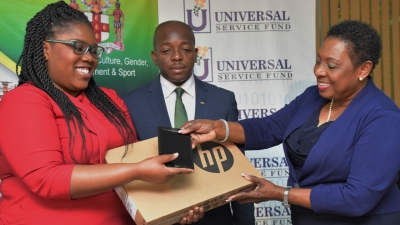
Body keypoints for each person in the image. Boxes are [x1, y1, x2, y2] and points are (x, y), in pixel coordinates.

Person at [0, 2, 203, 225]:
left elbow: (133, 163)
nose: (89, 57)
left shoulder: (109, 100)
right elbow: (46, 179)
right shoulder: (23, 100)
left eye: (94, 50)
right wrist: (136, 171)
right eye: (78, 47)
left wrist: (173, 211)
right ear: (46, 49)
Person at [180, 20, 400, 224]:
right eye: (318, 60)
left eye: (331, 66)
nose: (318, 71)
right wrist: (217, 128)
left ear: (364, 69)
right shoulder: (312, 97)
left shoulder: (383, 117)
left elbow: (357, 198)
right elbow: (269, 128)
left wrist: (280, 193)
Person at [122, 20, 255, 225]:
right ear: (154, 57)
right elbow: (128, 172)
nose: (177, 56)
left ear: (195, 54)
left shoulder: (223, 99)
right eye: (167, 50)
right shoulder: (130, 103)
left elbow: (239, 170)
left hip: (215, 219)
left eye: (185, 49)